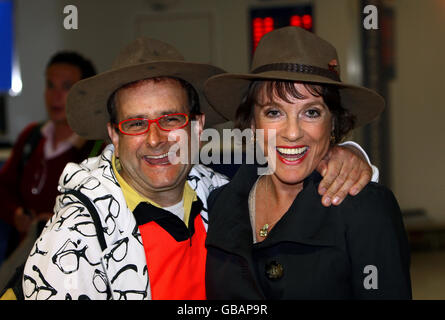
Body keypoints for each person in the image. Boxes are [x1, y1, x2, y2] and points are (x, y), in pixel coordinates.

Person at [20, 37, 377, 300]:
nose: (156, 139)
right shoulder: (75, 238)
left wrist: (342, 152)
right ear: (114, 135)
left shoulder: (220, 197)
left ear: (197, 126)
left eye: (171, 119)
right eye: (135, 124)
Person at [204, 26, 411, 299]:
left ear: (334, 123)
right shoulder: (218, 204)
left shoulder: (366, 211)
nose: (292, 132)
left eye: (311, 112)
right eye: (274, 112)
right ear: (252, 123)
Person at [0, 51, 102, 293]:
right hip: (21, 262)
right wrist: (16, 214)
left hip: (70, 272)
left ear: (83, 96)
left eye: (66, 87)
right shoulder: (31, 137)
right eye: (50, 85)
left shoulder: (96, 149)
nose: (55, 96)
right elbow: (3, 188)